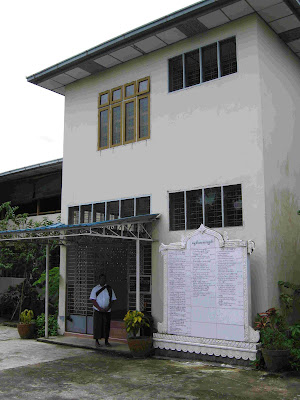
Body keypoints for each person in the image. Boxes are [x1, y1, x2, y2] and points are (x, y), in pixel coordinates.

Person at [89, 273, 116, 347]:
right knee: (98, 326)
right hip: (98, 311)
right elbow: (93, 300)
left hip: (107, 311)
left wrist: (108, 307)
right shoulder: (95, 289)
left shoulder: (109, 289)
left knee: (106, 326)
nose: (102, 280)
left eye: (104, 279)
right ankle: (97, 341)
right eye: (101, 279)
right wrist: (99, 308)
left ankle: (106, 341)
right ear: (99, 280)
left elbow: (113, 299)